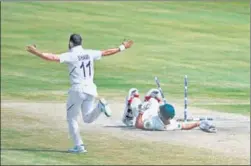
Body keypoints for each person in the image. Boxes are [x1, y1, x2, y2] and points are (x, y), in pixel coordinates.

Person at [26, 34, 134, 153]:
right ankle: (100, 107)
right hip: (91, 90)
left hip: (78, 90)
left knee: (71, 118)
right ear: (81, 43)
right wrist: (122, 47)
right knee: (87, 118)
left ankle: (79, 146)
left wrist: (36, 52)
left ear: (71, 43)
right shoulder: (89, 53)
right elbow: (106, 52)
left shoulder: (71, 55)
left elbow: (52, 57)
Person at [122, 88, 217, 132]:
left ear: (162, 114)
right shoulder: (172, 124)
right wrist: (198, 123)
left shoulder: (153, 124)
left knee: (135, 102)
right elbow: (184, 126)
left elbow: (138, 125)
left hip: (144, 116)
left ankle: (128, 115)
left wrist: (141, 112)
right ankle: (149, 99)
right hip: (153, 113)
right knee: (154, 102)